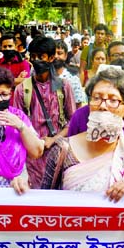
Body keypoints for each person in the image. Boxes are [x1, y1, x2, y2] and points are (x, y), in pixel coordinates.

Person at [41, 68, 124, 200]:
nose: (103, 106)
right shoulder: (63, 150)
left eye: (113, 100)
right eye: (96, 98)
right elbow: (44, 203)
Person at [11, 36, 76, 189]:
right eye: (33, 57)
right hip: (31, 157)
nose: (36, 60)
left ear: (51, 58)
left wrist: (53, 140)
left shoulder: (63, 86)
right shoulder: (22, 89)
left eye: (41, 57)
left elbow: (72, 122)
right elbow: (16, 126)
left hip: (59, 154)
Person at [54, 39, 86, 107]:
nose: (56, 56)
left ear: (65, 56)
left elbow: (78, 107)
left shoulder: (73, 79)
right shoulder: (43, 76)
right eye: (53, 54)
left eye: (59, 53)